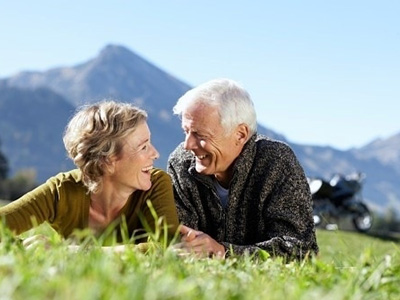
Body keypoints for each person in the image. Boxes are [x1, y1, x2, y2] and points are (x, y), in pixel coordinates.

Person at [167, 78, 318, 260]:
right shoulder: (180, 162)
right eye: (186, 131)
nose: (188, 145)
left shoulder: (277, 162)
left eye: (200, 135)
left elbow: (299, 250)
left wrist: (224, 253)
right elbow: (178, 244)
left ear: (240, 134)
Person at [0, 100, 179, 250]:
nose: (155, 154)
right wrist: (25, 247)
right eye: (144, 147)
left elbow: (168, 248)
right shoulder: (61, 191)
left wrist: (70, 252)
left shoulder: (156, 184)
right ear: (107, 160)